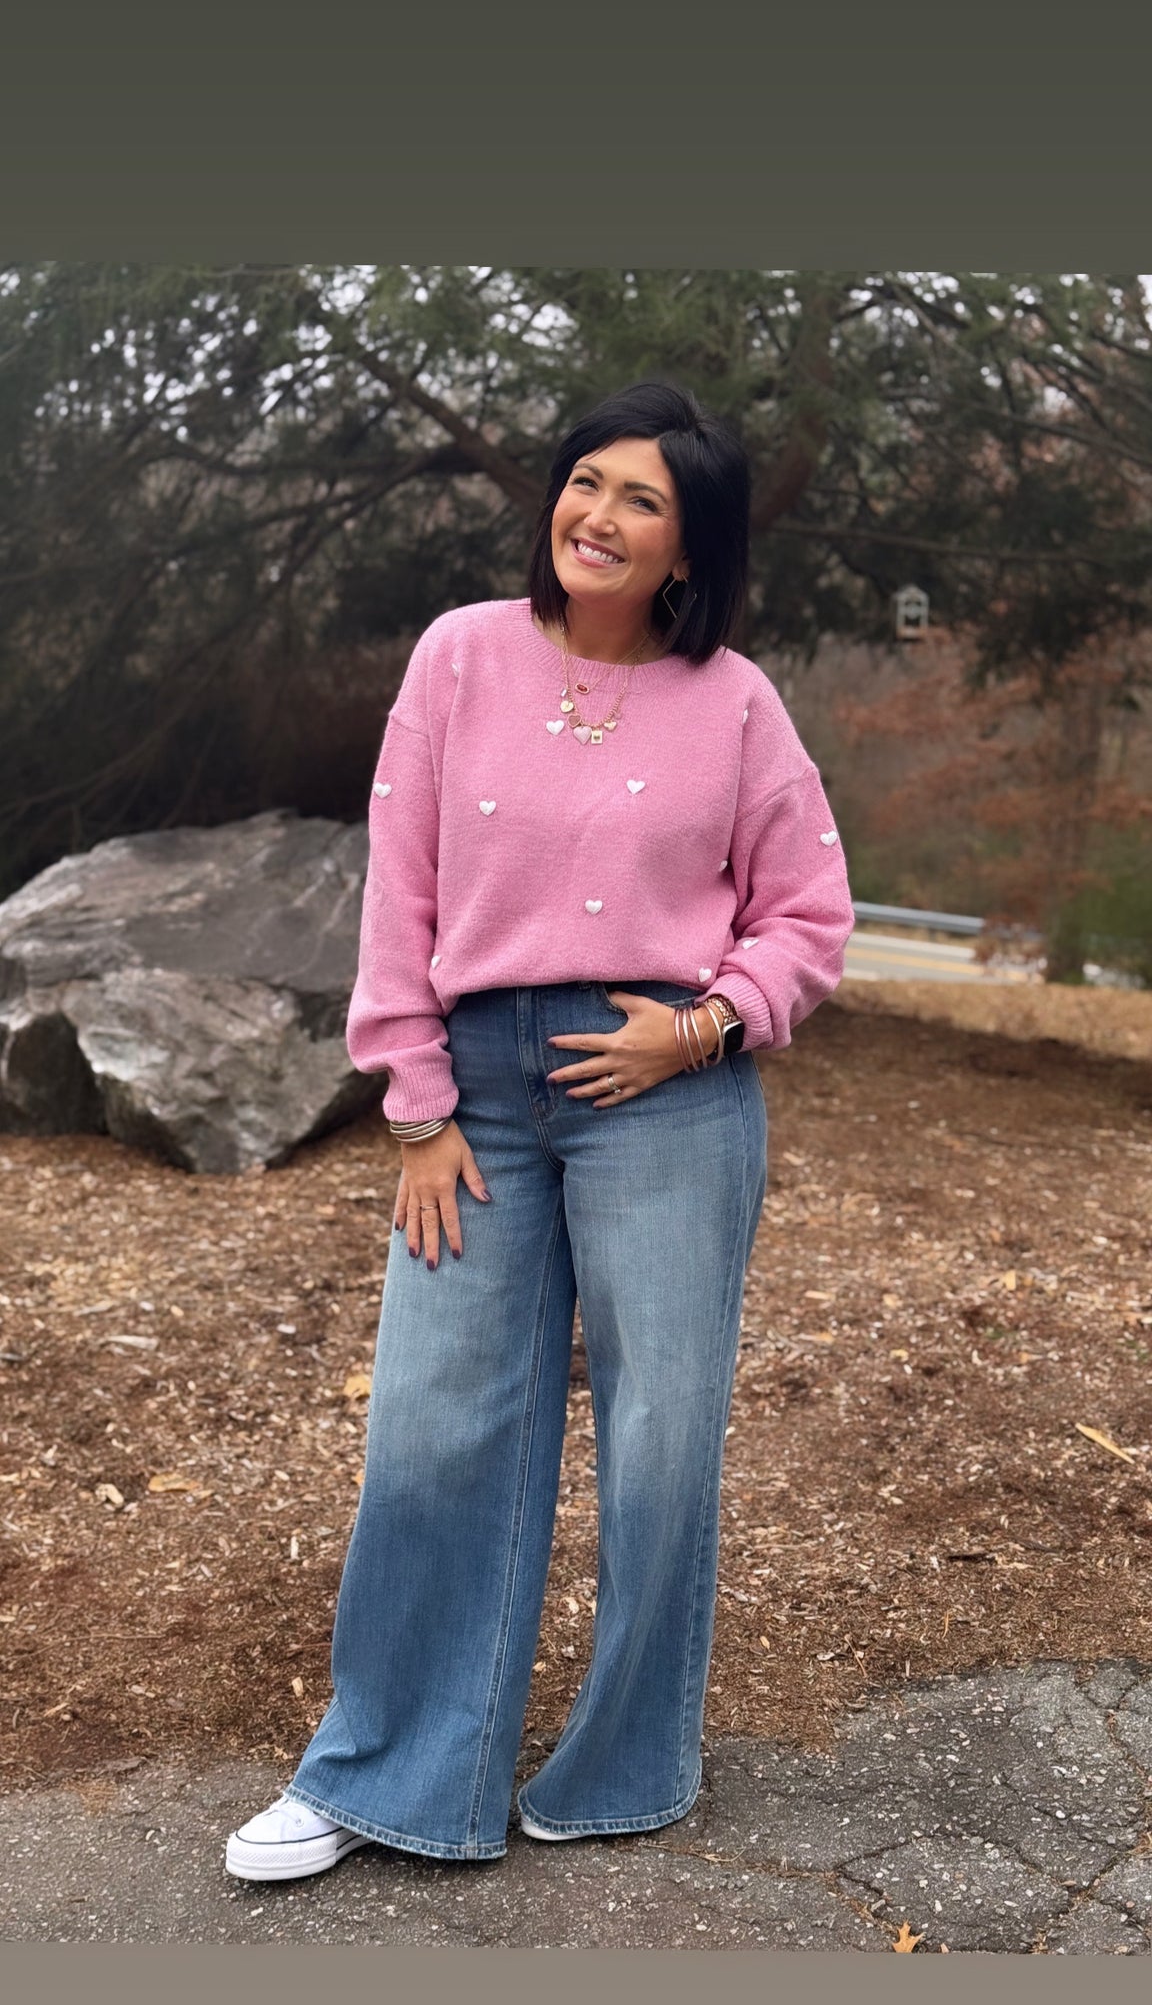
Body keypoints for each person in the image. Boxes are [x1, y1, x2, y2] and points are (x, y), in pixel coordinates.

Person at [225, 381, 854, 1881]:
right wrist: (417, 1106)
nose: (600, 515)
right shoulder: (460, 656)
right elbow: (401, 888)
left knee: (660, 1440)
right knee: (433, 1427)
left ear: (690, 547)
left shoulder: (738, 705)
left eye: (644, 499)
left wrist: (698, 1027)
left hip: (667, 1097)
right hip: (479, 1099)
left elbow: (810, 918)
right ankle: (388, 1772)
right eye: (586, 481)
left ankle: (630, 1763)